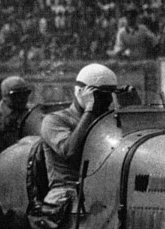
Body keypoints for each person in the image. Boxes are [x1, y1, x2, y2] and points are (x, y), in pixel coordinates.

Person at [37, 64, 118, 212]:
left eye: (110, 95)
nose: (107, 101)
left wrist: (131, 108)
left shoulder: (108, 120)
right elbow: (69, 151)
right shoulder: (54, 120)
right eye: (100, 95)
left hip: (102, 192)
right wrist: (90, 110)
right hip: (67, 195)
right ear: (81, 92)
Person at [0, 76, 38, 157]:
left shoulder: (33, 112)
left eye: (25, 93)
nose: (22, 98)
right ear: (5, 96)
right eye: (16, 95)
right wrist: (0, 130)